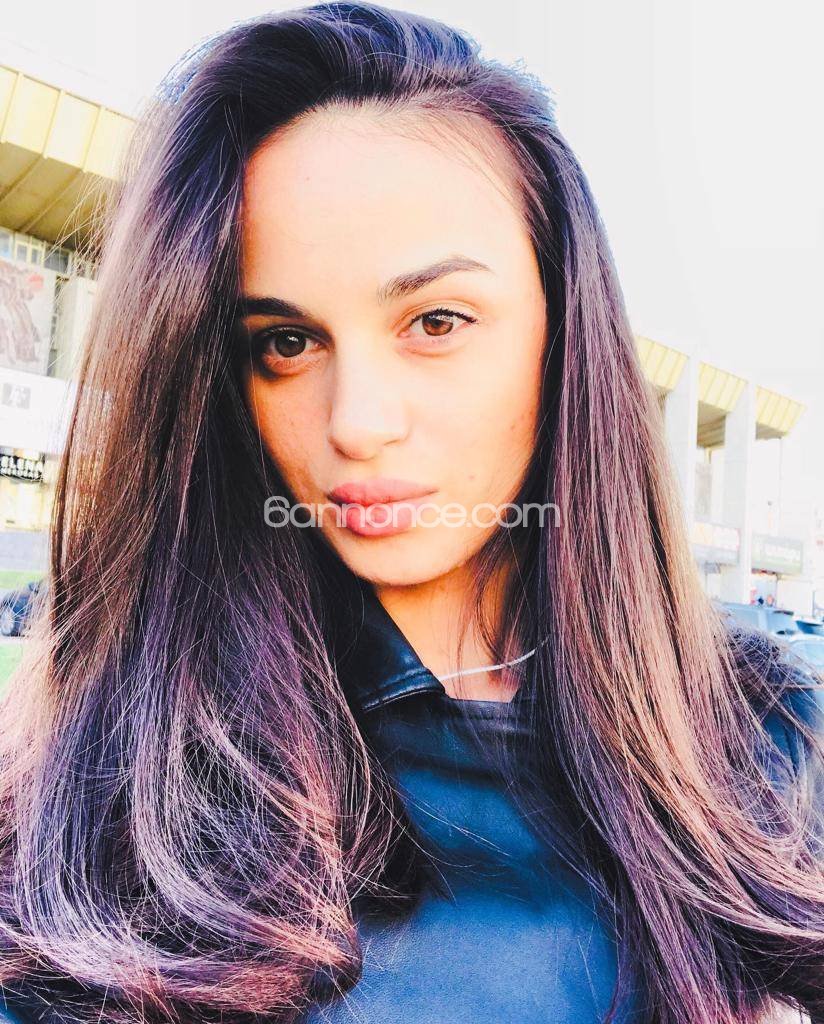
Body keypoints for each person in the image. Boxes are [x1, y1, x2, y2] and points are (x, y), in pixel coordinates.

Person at [0, 3, 821, 1023]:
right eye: (286, 343)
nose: (357, 423)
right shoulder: (122, 788)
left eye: (435, 321)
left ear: (563, 327)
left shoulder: (775, 736)